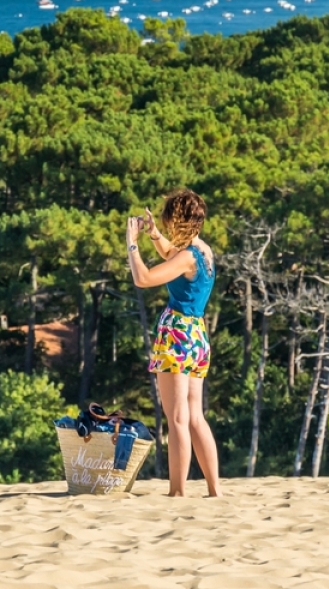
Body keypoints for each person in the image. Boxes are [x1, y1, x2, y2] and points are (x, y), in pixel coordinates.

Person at [126, 189, 220, 497]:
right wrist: (153, 235)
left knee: (177, 417)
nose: (166, 226)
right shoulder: (203, 251)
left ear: (177, 220)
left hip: (176, 334)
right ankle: (214, 490)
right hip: (196, 335)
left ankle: (177, 492)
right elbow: (173, 255)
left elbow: (144, 278)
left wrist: (132, 244)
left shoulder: (186, 257)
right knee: (194, 417)